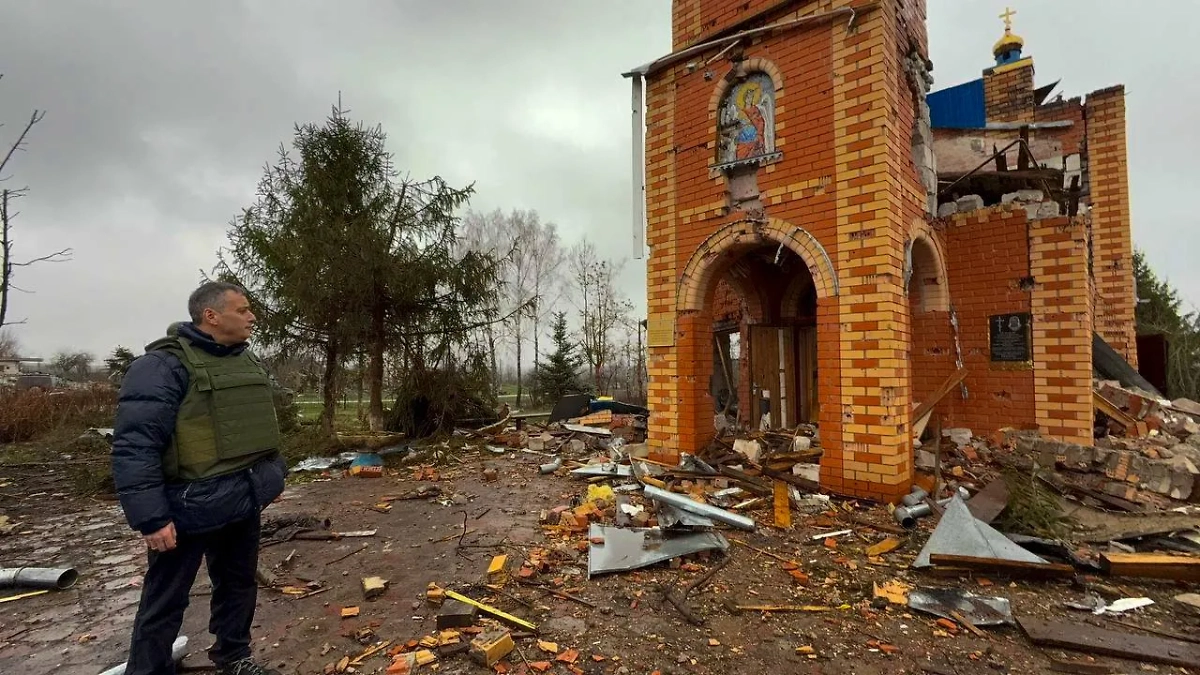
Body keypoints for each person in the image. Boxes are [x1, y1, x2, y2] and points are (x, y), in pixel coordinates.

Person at [111, 281, 287, 675]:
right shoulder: (161, 367)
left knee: (239, 585)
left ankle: (234, 657)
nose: (251, 316)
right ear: (211, 316)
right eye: (242, 310)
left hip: (242, 498)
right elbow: (135, 446)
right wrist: (151, 518)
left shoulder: (245, 360)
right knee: (166, 600)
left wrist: (269, 478)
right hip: (187, 508)